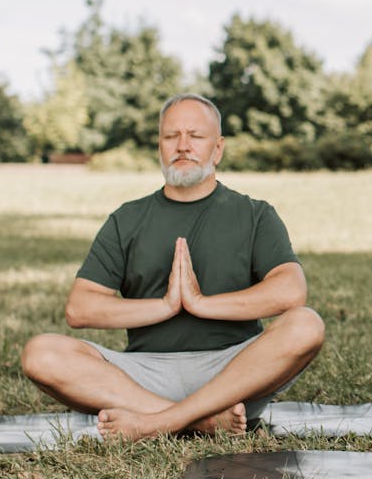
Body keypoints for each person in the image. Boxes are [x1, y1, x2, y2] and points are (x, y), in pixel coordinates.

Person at [20, 92, 324, 441]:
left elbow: (291, 290)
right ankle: (200, 421)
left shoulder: (255, 214)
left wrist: (200, 304)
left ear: (218, 148)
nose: (182, 146)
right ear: (160, 147)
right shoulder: (127, 218)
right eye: (171, 136)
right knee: (40, 353)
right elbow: (80, 308)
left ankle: (155, 423)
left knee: (306, 324)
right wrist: (165, 306)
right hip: (144, 375)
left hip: (233, 374)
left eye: (195, 136)